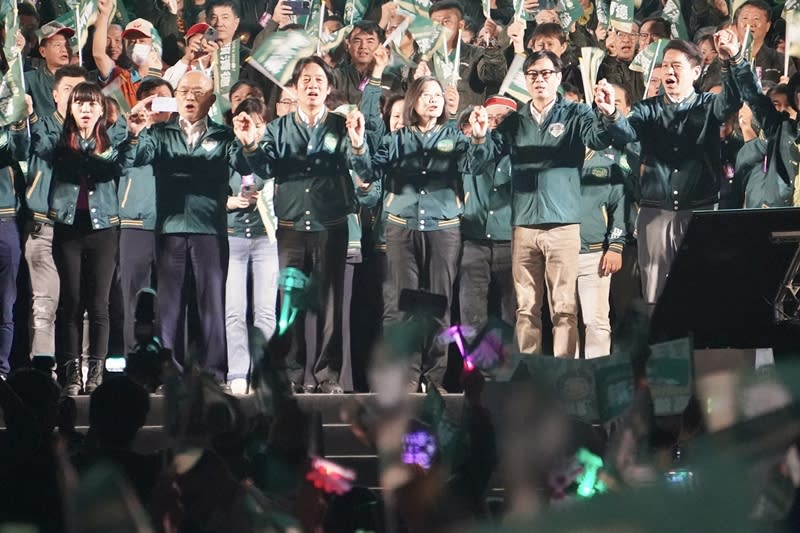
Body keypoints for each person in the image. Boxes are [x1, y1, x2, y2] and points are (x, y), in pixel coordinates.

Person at [488, 30, 632, 357]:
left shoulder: (575, 113)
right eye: (533, 74)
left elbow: (602, 140)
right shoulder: (514, 121)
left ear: (558, 77)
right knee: (525, 308)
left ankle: (564, 374)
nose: (539, 80)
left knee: (564, 309)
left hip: (564, 226)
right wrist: (482, 136)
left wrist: (609, 113)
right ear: (525, 79)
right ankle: (529, 372)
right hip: (524, 226)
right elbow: (483, 157)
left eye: (547, 74)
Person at [122, 71, 263, 384]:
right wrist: (134, 132)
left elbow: (251, 168)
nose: (189, 96)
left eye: (197, 92)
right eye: (183, 90)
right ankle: (168, 369)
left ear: (211, 100)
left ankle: (214, 371)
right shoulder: (158, 133)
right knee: (169, 306)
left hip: (210, 230)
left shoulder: (225, 136)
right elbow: (132, 159)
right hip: (170, 228)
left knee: (212, 304)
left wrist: (251, 143)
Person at [242, 56, 371, 394]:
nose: (312, 85)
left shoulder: (342, 125)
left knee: (330, 304)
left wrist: (358, 142)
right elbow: (264, 170)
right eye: (305, 80)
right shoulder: (278, 128)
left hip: (331, 224)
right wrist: (251, 144)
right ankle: (293, 372)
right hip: (291, 225)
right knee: (291, 302)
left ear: (329, 88)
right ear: (294, 88)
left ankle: (328, 375)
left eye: (318, 80)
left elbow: (366, 172)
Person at [368, 75, 490, 392]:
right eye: (425, 94)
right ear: (413, 101)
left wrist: (478, 138)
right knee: (405, 307)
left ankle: (434, 377)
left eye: (437, 95)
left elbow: (476, 165)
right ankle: (408, 377)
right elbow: (368, 170)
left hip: (444, 229)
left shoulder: (454, 137)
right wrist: (356, 145)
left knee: (439, 307)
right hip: (401, 228)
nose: (433, 100)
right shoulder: (397, 139)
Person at [622, 33, 749, 308]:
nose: (669, 71)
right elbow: (625, 132)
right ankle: (660, 351)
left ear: (696, 71)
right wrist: (611, 115)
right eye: (665, 65)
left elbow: (733, 99)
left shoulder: (707, 105)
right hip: (656, 211)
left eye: (676, 66)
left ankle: (698, 347)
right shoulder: (646, 109)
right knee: (655, 294)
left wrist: (730, 61)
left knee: (703, 288)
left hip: (700, 210)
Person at [32, 82, 124, 395]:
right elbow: (45, 151)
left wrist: (87, 159)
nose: (85, 110)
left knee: (99, 304)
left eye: (91, 104)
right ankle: (70, 375)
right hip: (68, 228)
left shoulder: (112, 138)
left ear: (102, 109)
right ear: (70, 108)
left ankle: (95, 374)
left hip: (103, 229)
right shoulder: (58, 138)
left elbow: (111, 167)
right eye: (79, 104)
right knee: (70, 302)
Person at [22, 65, 89, 373]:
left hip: (80, 229)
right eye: (68, 91)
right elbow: (41, 147)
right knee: (45, 303)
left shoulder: (95, 134)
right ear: (55, 94)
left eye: (81, 93)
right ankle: (42, 369)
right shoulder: (43, 127)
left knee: (78, 304)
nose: (75, 98)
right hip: (44, 225)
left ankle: (77, 366)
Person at [224, 96, 278, 394]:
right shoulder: (226, 151)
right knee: (234, 311)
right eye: (246, 122)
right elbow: (209, 190)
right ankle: (237, 373)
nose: (252, 129)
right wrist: (229, 202)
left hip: (266, 238)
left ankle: (261, 372)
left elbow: (274, 177)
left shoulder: (270, 152)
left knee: (265, 312)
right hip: (232, 237)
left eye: (258, 124)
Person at [118, 77, 175, 354]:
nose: (157, 104)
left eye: (164, 98)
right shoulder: (128, 128)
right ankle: (133, 360)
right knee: (132, 299)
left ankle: (167, 362)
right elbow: (123, 160)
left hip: (172, 225)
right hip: (135, 224)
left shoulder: (180, 133)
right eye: (151, 99)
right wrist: (136, 130)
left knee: (170, 298)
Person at [459, 95, 516, 355]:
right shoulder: (471, 147)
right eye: (491, 117)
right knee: (472, 314)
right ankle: (475, 374)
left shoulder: (520, 151)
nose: (495, 123)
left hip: (510, 239)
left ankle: (511, 372)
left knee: (512, 313)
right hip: (474, 238)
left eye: (502, 118)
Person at [0, 115, 30, 379]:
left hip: (5, 219)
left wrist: (18, 119)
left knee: (5, 303)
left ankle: (1, 369)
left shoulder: (9, 121)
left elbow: (21, 149)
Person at [93, 1, 164, 109]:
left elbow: (166, 113)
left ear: (154, 46)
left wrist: (154, 74)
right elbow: (99, 55)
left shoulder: (167, 77)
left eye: (142, 41)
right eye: (132, 41)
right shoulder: (120, 77)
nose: (136, 45)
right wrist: (104, 15)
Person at [25, 21, 74, 117]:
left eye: (67, 45)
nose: (64, 49)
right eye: (57, 45)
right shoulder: (30, 80)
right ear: (43, 51)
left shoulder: (79, 79)